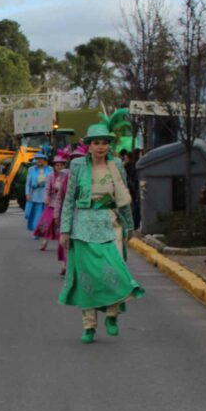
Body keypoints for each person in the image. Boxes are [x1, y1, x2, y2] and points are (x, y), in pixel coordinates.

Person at [59, 110, 145, 344]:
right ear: (88, 145)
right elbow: (68, 199)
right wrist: (65, 230)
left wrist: (129, 225)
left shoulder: (116, 164)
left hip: (110, 223)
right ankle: (89, 326)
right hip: (83, 225)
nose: (101, 147)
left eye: (105, 143)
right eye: (96, 143)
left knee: (115, 271)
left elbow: (123, 197)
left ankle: (112, 314)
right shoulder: (77, 166)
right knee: (88, 278)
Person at [34, 147, 69, 252]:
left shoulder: (67, 175)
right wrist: (46, 199)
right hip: (51, 204)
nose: (59, 167)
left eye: (61, 165)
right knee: (47, 223)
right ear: (54, 166)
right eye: (57, 165)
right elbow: (47, 189)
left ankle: (62, 246)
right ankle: (44, 242)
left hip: (63, 204)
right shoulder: (50, 176)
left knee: (61, 226)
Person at [24, 149, 53, 233]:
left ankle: (46, 230)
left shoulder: (50, 169)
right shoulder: (31, 169)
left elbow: (52, 181)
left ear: (44, 160)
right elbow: (27, 183)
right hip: (35, 194)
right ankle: (37, 230)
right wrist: (27, 194)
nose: (39, 160)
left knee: (46, 214)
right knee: (37, 214)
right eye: (38, 159)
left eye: (41, 158)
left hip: (46, 194)